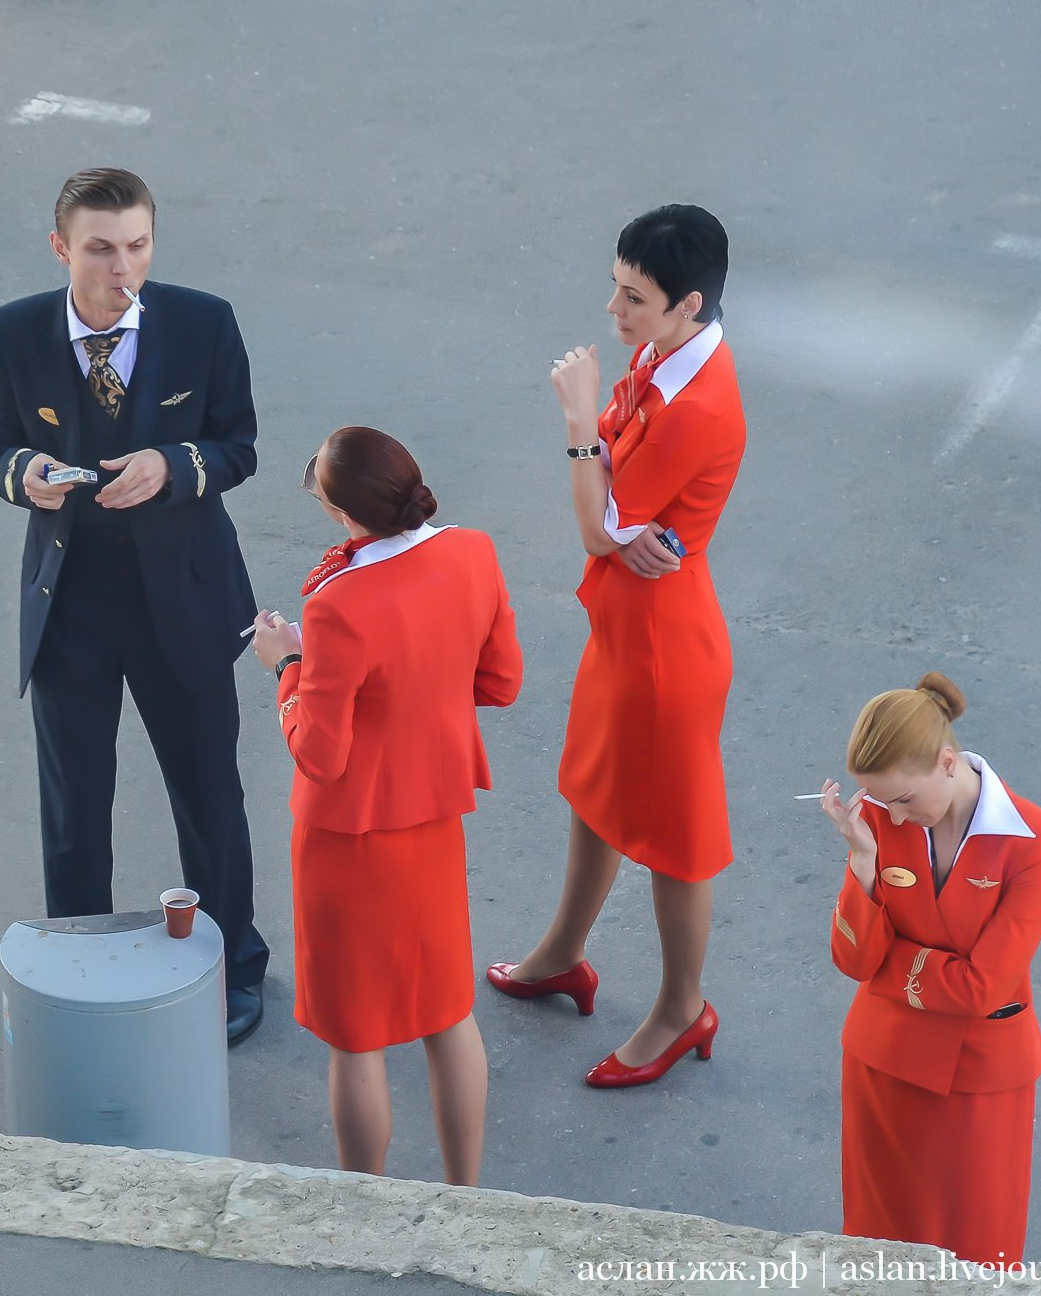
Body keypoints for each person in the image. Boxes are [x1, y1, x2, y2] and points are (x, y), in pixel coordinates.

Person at [0, 167, 270, 1043]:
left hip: (183, 599)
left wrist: (174, 466)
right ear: (62, 248)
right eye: (101, 249)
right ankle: (80, 967)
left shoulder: (204, 322)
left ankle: (233, 968)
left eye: (137, 245)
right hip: (71, 609)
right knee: (73, 811)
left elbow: (239, 445)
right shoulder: (14, 332)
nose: (122, 267)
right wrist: (21, 476)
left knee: (210, 799)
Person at [486, 204, 744, 1088]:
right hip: (631, 629)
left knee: (674, 843)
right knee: (593, 791)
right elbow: (611, 523)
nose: (615, 310)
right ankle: (563, 949)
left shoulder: (691, 405)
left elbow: (597, 527)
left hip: (667, 653)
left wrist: (578, 423)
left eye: (634, 297)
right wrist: (611, 514)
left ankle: (682, 1007)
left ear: (689, 304)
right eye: (616, 287)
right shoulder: (666, 355)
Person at [250, 427, 523, 1185]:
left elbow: (319, 753)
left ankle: (363, 1207)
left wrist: (288, 665)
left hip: (347, 842)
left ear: (343, 516)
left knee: (355, 1039)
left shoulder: (338, 604)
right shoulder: (474, 551)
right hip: (432, 817)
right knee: (446, 1014)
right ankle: (467, 1193)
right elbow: (499, 682)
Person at [819, 673, 1041, 1267]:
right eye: (880, 802)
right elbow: (855, 961)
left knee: (979, 1248)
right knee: (877, 1246)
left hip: (980, 1079)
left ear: (948, 763)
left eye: (903, 799)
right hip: (884, 1064)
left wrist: (893, 968)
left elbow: (983, 988)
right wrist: (861, 858)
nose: (893, 817)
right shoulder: (877, 821)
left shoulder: (1035, 841)